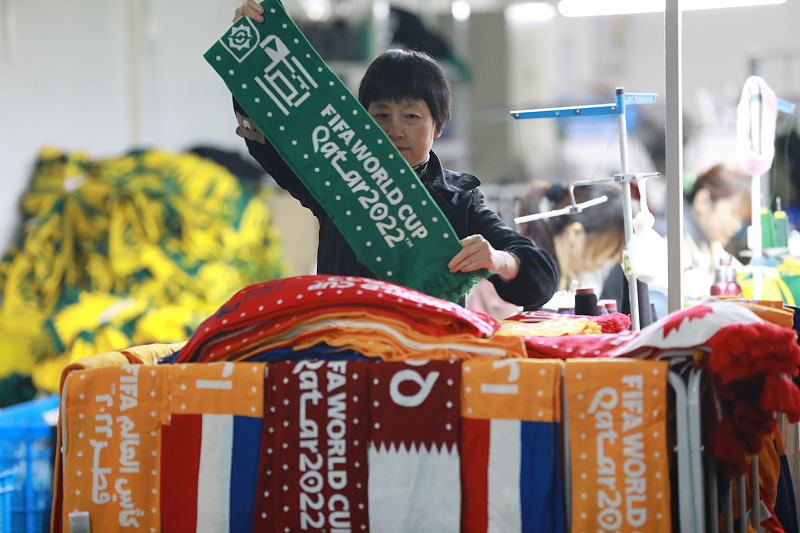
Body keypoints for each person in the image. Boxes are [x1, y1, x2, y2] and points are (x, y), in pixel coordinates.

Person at [230, 0, 559, 308]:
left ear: (438, 126)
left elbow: (542, 278)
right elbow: (272, 145)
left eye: (411, 116)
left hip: (426, 346)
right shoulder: (338, 179)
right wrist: (250, 55)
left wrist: (500, 259)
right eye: (381, 115)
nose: (395, 130)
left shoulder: (459, 199)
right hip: (345, 341)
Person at [467, 181, 626, 317]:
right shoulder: (520, 270)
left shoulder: (570, 277)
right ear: (576, 234)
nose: (613, 257)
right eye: (612, 247)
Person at [653, 163, 751, 301]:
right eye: (733, 214)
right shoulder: (671, 242)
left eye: (741, 219)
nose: (737, 226)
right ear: (703, 201)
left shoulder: (708, 241)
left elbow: (743, 275)